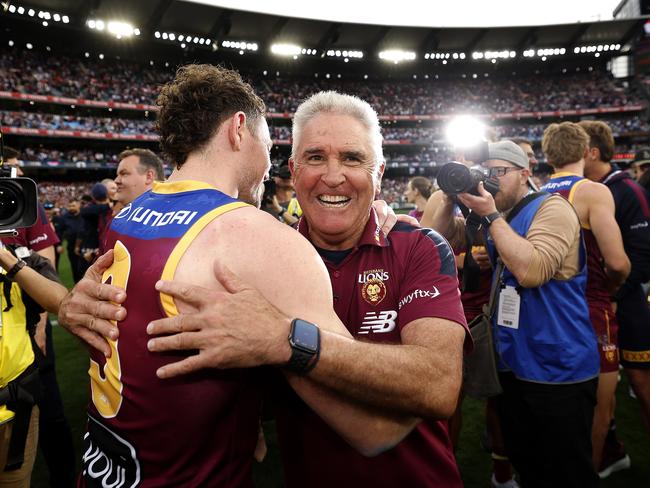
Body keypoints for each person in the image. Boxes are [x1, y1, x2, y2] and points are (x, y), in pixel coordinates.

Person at [58, 67, 468, 486]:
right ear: (246, 135)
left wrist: (286, 342)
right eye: (313, 157)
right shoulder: (265, 245)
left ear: (379, 174)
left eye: (352, 158)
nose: (332, 175)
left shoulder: (415, 244)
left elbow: (434, 389)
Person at [432, 140, 600, 487]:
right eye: (486, 173)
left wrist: (492, 216)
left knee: (567, 472)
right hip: (515, 364)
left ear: (525, 173)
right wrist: (452, 194)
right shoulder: (500, 216)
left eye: (499, 172)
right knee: (529, 464)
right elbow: (436, 238)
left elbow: (533, 270)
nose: (491, 180)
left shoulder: (551, 208)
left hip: (557, 367)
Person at [540, 122, 630, 472]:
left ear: (547, 157)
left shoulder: (534, 192)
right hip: (589, 306)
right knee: (600, 407)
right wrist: (612, 289)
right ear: (584, 151)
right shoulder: (592, 191)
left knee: (552, 402)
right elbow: (618, 262)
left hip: (546, 309)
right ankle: (587, 473)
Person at [2, 147, 77, 487]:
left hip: (28, 330)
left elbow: (50, 280)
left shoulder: (22, 203)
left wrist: (42, 327)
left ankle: (63, 477)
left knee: (50, 414)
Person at [579, 120, 650, 475]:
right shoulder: (585, 190)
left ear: (591, 152)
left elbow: (642, 254)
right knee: (596, 389)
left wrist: (614, 292)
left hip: (626, 304)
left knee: (641, 382)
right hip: (594, 305)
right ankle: (611, 452)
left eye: (579, 146)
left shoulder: (627, 191)